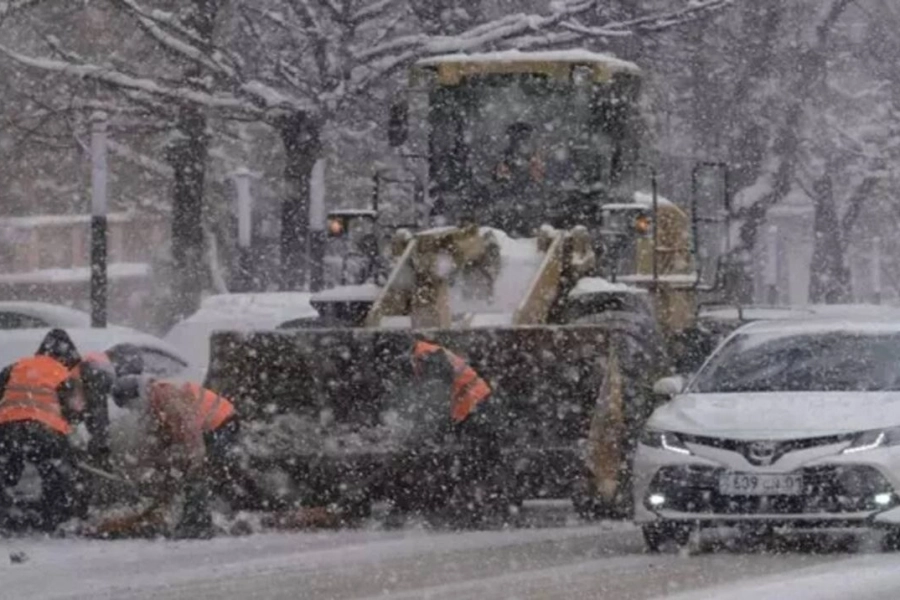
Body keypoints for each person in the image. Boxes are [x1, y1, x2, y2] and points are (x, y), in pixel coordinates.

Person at [112, 376, 266, 537]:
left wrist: (192, 463)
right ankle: (242, 507)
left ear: (138, 395)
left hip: (221, 421)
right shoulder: (154, 404)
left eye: (131, 405)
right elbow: (157, 440)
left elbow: (190, 432)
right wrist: (149, 465)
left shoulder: (167, 397)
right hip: (206, 428)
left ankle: (238, 511)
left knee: (213, 469)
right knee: (208, 471)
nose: (133, 410)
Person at [0, 329, 88, 531]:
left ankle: (6, 511)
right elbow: (75, 411)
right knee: (54, 470)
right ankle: (52, 518)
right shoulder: (64, 374)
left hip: (7, 428)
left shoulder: (17, 366)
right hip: (45, 431)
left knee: (7, 466)